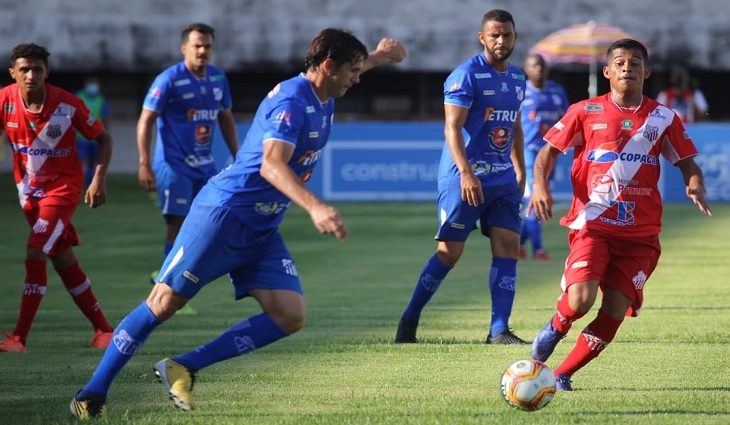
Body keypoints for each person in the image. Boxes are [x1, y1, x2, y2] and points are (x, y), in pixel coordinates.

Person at [70, 28, 406, 419]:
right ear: (328, 66)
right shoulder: (293, 102)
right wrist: (315, 207)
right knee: (164, 302)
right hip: (224, 216)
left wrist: (381, 55)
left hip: (261, 227)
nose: (357, 77)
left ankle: (183, 366)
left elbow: (359, 64)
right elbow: (271, 165)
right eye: (352, 70)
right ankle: (92, 392)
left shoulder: (325, 89)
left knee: (289, 314)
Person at [528, 39, 712, 391]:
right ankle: (556, 326)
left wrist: (694, 183)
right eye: (620, 62)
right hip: (594, 225)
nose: (628, 67)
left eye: (635, 62)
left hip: (641, 236)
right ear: (608, 72)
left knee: (614, 309)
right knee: (580, 300)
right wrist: (540, 186)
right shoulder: (584, 111)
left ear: (647, 71)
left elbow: (689, 164)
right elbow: (546, 154)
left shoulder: (663, 117)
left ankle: (562, 374)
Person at [394, 9, 528, 345]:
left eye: (507, 35)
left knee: (509, 245)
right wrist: (467, 173)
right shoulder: (465, 75)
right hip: (463, 177)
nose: (501, 41)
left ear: (515, 37)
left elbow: (514, 125)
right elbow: (452, 127)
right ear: (482, 38)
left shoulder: (517, 79)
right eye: (494, 35)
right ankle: (409, 318)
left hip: (501, 178)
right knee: (450, 253)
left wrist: (520, 166)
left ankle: (499, 330)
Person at [0, 44, 115, 353]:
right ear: (13, 73)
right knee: (62, 258)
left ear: (46, 72)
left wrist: (98, 179)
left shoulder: (67, 105)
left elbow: (103, 137)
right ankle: (104, 330)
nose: (30, 75)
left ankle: (18, 338)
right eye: (24, 69)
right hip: (29, 193)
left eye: (37, 69)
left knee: (36, 250)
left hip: (63, 190)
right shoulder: (4, 100)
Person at [137, 23, 240, 314]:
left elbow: (226, 118)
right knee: (177, 225)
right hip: (174, 165)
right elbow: (145, 120)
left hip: (205, 165)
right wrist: (144, 162)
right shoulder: (168, 79)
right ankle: (167, 288)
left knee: (215, 221)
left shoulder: (218, 78)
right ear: (184, 48)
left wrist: (238, 155)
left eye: (207, 46)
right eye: (197, 46)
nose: (202, 51)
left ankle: (173, 279)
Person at [518, 53, 569, 261]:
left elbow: (567, 117)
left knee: (543, 200)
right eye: (534, 66)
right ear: (526, 70)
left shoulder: (556, 91)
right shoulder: (520, 92)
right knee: (535, 199)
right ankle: (538, 249)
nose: (538, 69)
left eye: (541, 66)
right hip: (528, 153)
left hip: (550, 152)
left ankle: (519, 245)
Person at [76, 76, 110, 188]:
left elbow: (105, 118)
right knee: (80, 162)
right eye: (91, 83)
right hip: (81, 137)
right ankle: (80, 183)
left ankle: (91, 183)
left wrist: (105, 133)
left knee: (94, 162)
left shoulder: (101, 99)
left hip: (96, 136)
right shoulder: (78, 96)